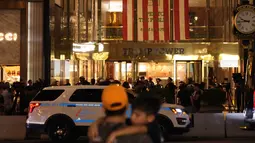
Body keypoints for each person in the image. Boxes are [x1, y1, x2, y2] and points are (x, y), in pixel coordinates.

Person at [88, 91, 162, 143]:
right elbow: (111, 119)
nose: (132, 117)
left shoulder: (153, 127)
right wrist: (96, 123)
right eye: (132, 113)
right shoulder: (134, 121)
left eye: (137, 115)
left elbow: (140, 129)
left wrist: (115, 134)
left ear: (150, 118)